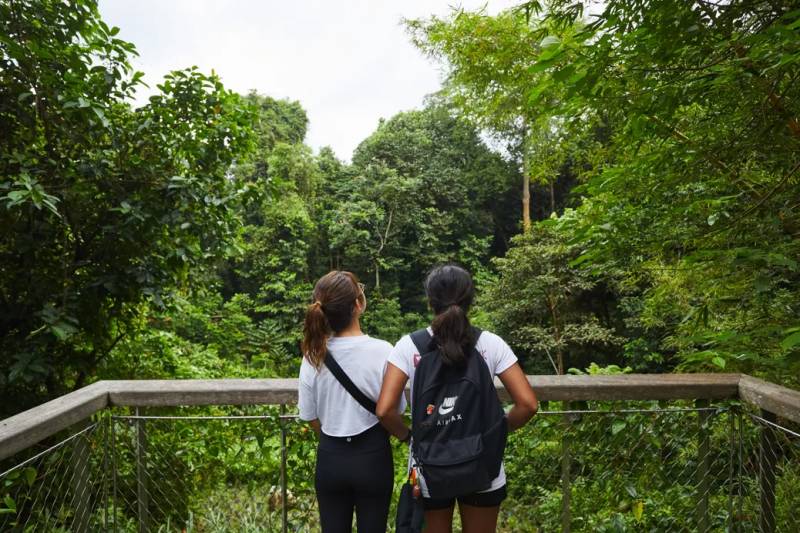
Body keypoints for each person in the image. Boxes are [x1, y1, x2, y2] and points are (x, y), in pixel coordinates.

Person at [376, 264, 538, 533]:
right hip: (483, 464)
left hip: (430, 465)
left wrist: (409, 437)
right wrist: (497, 430)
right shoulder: (490, 343)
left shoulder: (410, 346)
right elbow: (528, 404)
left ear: (430, 302)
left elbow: (384, 411)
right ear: (470, 300)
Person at [298, 271, 405, 533]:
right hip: (373, 456)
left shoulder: (313, 354)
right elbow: (395, 409)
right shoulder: (384, 351)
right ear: (358, 304)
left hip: (331, 457)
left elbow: (310, 416)